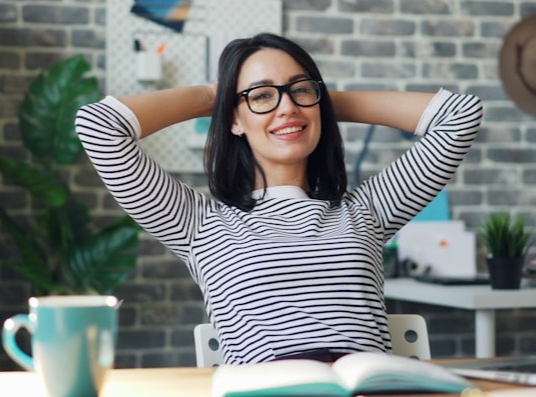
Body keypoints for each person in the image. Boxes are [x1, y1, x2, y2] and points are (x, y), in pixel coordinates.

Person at [76, 32, 482, 365]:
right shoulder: (198, 224)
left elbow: (460, 117)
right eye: (261, 96)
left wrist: (316, 102)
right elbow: (98, 126)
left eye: (299, 90)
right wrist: (214, 97)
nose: (286, 107)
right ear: (234, 118)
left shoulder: (367, 211)